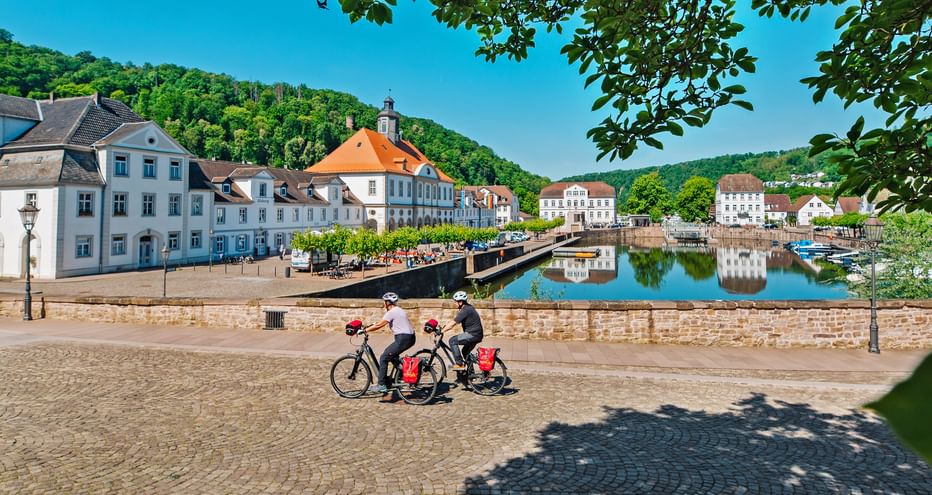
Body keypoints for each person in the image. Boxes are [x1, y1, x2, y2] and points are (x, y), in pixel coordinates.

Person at [364, 292, 416, 394]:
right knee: (391, 355)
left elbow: (379, 325)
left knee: (384, 357)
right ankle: (401, 374)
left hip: (403, 339)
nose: (383, 304)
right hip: (409, 337)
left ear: (387, 303)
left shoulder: (392, 312)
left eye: (384, 302)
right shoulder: (398, 309)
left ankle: (381, 385)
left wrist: (365, 330)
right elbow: (380, 322)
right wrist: (369, 326)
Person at [442, 291, 483, 371]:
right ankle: (471, 373)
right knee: (465, 352)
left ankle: (459, 364)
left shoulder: (465, 310)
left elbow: (453, 323)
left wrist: (442, 331)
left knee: (452, 341)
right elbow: (454, 321)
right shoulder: (468, 307)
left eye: (455, 302)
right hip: (477, 334)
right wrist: (444, 327)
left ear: (460, 302)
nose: (455, 303)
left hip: (473, 335)